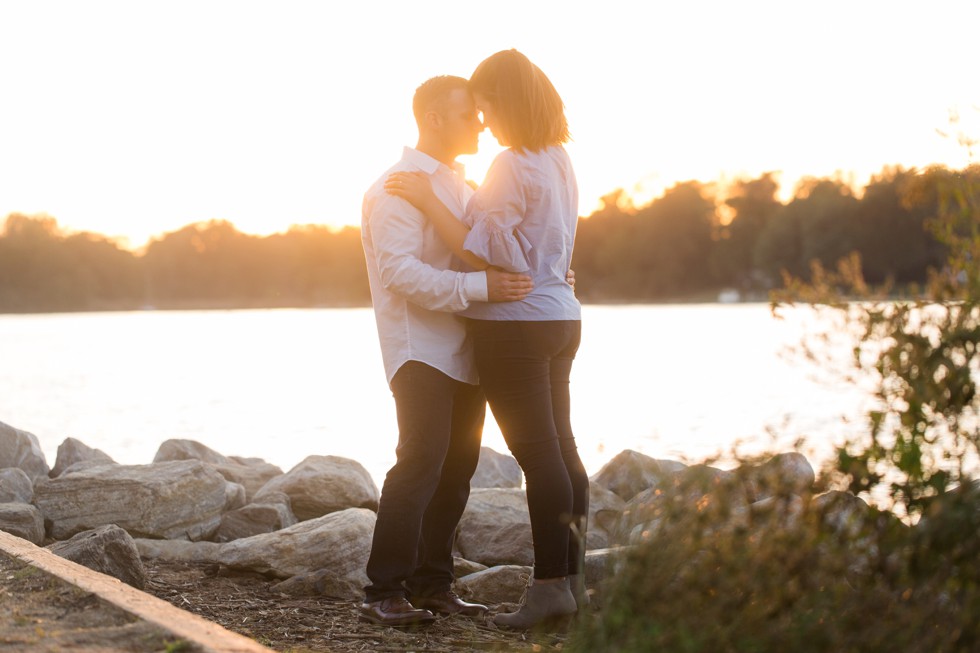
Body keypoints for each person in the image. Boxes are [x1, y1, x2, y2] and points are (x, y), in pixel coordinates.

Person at [386, 49, 589, 630]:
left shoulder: (511, 162)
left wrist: (427, 200)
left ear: (503, 102)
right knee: (564, 449)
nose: (483, 120)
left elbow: (482, 250)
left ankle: (550, 587)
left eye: (485, 106)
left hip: (518, 328)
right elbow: (547, 241)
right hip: (560, 318)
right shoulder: (558, 157)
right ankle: (572, 584)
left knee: (539, 456)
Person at [359, 75, 535, 627]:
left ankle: (434, 585)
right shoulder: (394, 187)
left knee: (457, 469)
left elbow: (483, 248)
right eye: (468, 115)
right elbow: (399, 273)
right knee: (420, 462)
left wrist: (542, 274)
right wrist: (482, 289)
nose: (480, 123)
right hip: (420, 350)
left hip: (466, 347)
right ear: (434, 119)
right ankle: (382, 593)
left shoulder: (461, 187)